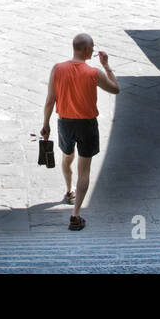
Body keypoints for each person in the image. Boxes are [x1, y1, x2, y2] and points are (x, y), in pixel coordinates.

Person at [41, 34, 119, 231]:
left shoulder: (57, 69)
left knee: (67, 158)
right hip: (87, 125)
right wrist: (106, 66)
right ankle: (75, 214)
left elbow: (50, 99)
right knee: (84, 170)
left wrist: (46, 123)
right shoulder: (94, 73)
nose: (93, 51)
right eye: (92, 48)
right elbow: (116, 89)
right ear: (86, 50)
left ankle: (69, 190)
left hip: (65, 123)